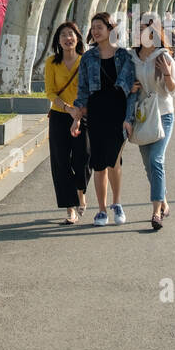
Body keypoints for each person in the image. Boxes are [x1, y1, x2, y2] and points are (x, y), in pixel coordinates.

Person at [70, 12, 137, 226]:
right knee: (98, 162)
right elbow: (82, 90)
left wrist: (129, 118)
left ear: (110, 29)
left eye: (100, 27)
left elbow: (131, 90)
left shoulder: (124, 56)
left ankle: (116, 204)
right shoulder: (88, 57)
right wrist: (77, 116)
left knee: (113, 160)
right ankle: (101, 210)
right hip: (96, 113)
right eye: (93, 28)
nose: (95, 31)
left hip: (117, 113)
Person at [131, 17, 175, 229]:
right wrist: (130, 88)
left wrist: (168, 73)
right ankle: (164, 201)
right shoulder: (130, 57)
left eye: (149, 31)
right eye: (141, 31)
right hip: (142, 116)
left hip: (163, 114)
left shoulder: (163, 57)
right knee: (148, 165)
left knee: (156, 160)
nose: (145, 35)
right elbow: (124, 84)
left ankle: (156, 212)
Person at [44, 21, 91, 223]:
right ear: (58, 40)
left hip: (82, 114)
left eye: (71, 34)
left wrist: (78, 114)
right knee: (60, 162)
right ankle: (70, 208)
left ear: (78, 38)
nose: (67, 38)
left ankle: (81, 192)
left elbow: (89, 90)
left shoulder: (86, 61)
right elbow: (50, 92)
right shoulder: (51, 62)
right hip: (59, 115)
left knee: (83, 159)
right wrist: (68, 109)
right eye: (63, 35)